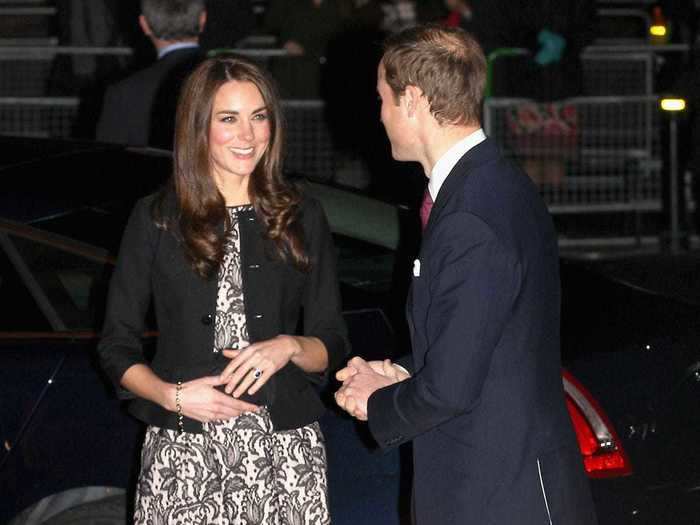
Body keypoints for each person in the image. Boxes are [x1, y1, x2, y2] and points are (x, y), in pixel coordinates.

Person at [334, 25, 597, 525]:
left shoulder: (471, 213)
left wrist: (378, 401)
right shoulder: (488, 181)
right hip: (499, 484)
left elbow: (452, 389)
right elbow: (483, 335)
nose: (380, 114)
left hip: (499, 495)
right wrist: (405, 371)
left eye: (383, 99)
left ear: (412, 100)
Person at [97, 54, 349, 524]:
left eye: (259, 117)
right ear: (198, 126)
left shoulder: (301, 215)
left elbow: (330, 343)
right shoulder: (156, 217)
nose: (248, 135)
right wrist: (173, 396)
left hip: (283, 456)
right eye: (228, 119)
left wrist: (288, 347)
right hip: (183, 453)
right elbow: (115, 346)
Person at [96, 0, 207, 149]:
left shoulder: (124, 93)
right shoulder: (232, 80)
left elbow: (105, 160)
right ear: (202, 19)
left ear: (144, 25)